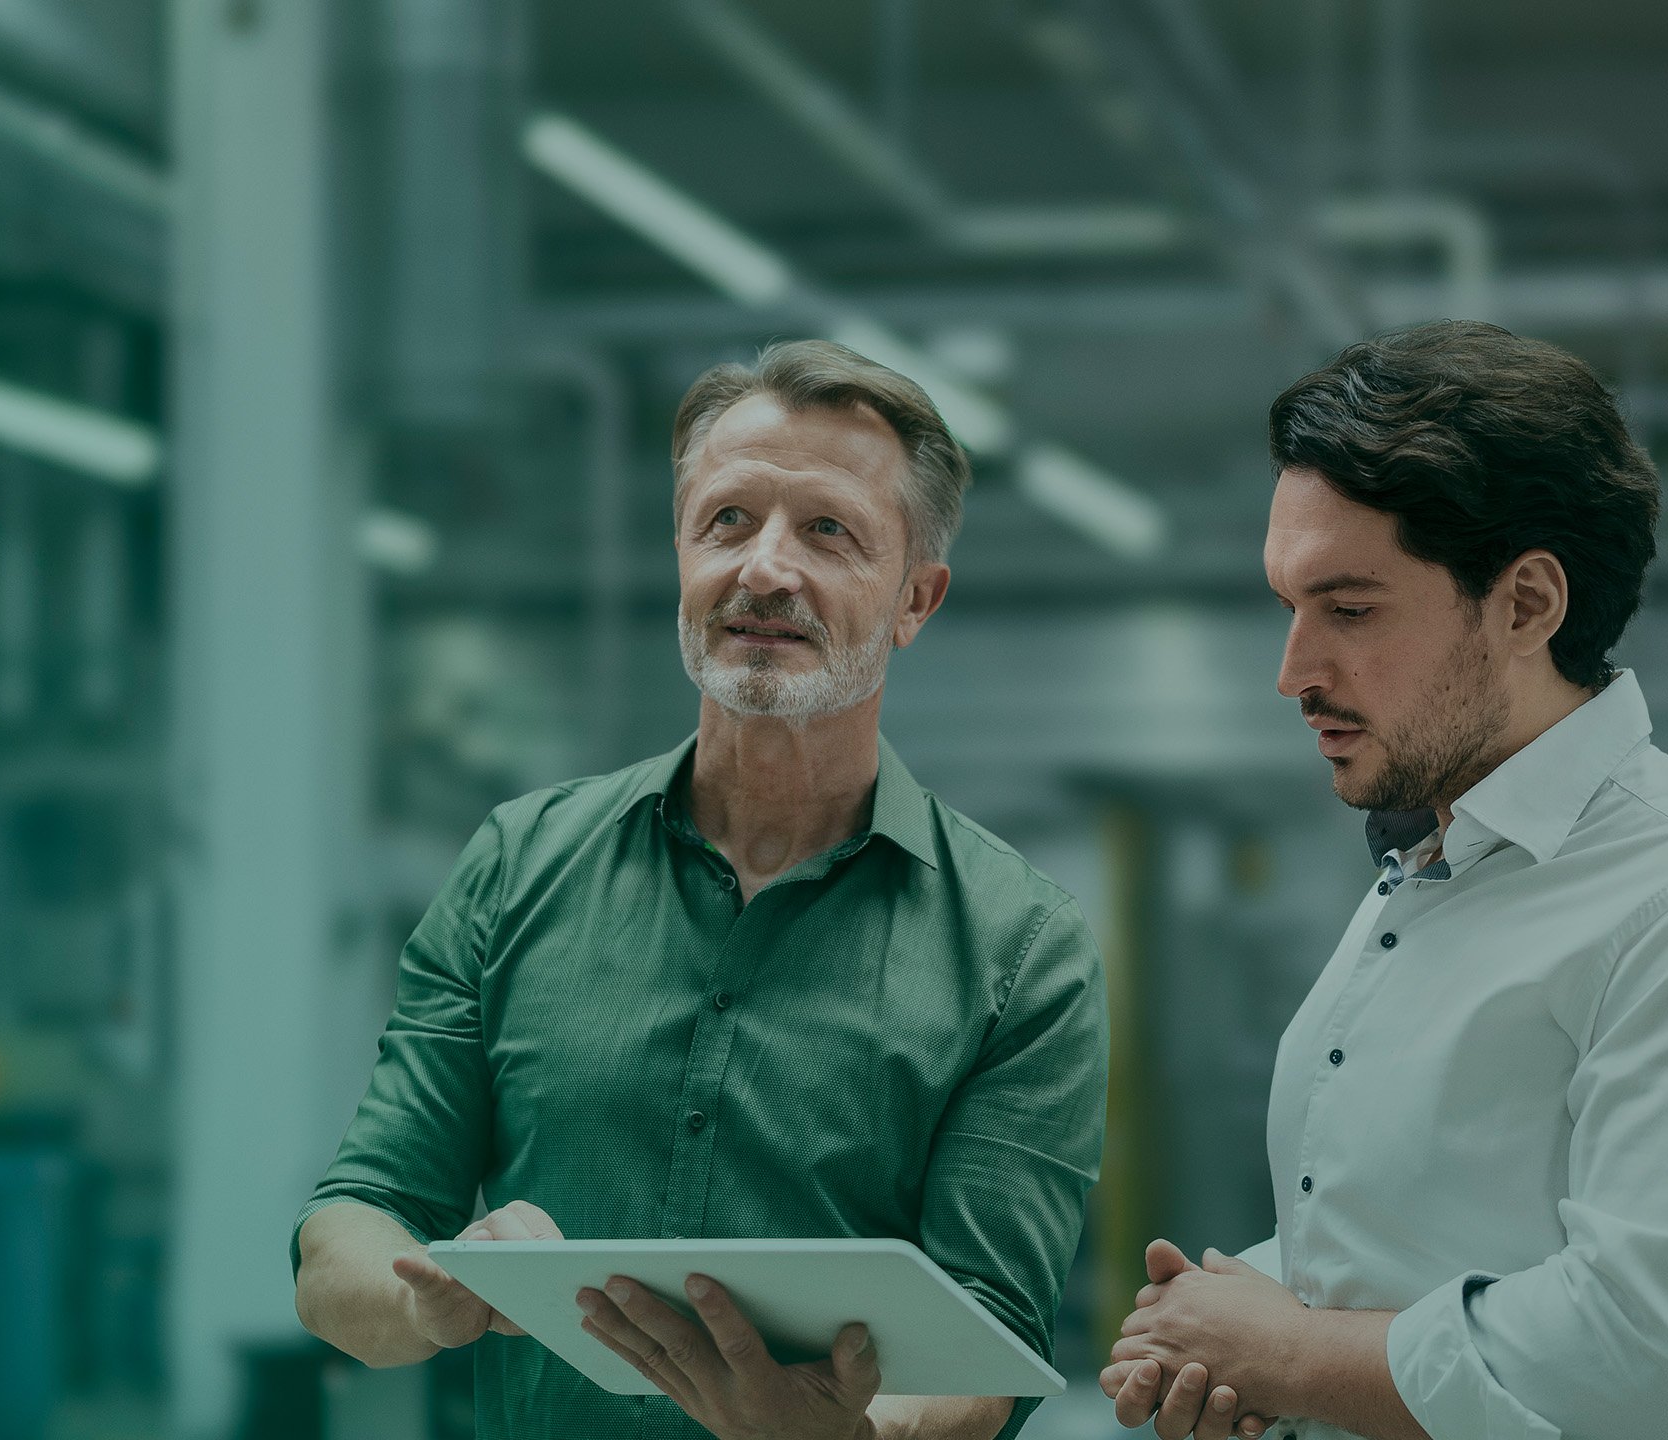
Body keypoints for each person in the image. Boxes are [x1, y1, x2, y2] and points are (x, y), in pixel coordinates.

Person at [294, 339, 1108, 1440]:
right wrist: (424, 1297)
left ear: (917, 597)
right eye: (727, 520)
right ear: (680, 549)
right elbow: (351, 1225)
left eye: (827, 530)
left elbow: (991, 1332)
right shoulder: (518, 863)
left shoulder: (1021, 947)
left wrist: (858, 1435)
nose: (763, 569)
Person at [1106, 321, 1668, 1440]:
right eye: (1289, 606)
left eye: (1349, 609)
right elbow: (1420, 1236)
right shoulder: (1428, 870)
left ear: (1525, 605)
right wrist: (1231, 1318)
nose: (1293, 673)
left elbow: (1648, 1349)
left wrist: (1285, 1352)